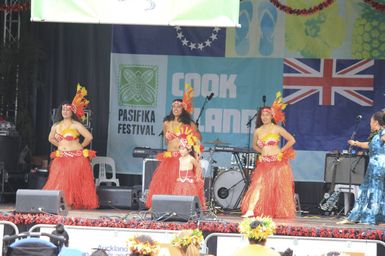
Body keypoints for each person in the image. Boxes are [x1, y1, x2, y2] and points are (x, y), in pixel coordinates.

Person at [241, 92, 296, 218]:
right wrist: (262, 152)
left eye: (267, 115)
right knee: (258, 185)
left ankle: (276, 211)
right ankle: (251, 209)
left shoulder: (277, 128)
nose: (264, 117)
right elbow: (255, 145)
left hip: (277, 162)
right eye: (262, 115)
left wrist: (281, 151)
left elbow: (292, 140)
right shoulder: (258, 131)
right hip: (264, 162)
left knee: (276, 188)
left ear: (272, 116)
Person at [43, 84, 98, 210]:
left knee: (73, 182)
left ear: (72, 111)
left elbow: (89, 137)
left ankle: (71, 203)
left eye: (67, 110)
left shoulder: (76, 125)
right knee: (60, 181)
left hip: (76, 158)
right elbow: (50, 138)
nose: (65, 112)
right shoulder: (56, 125)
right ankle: (61, 203)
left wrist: (81, 147)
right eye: (63, 110)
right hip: (61, 157)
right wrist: (60, 145)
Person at [146, 84, 201, 208]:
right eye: (173, 106)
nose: (176, 108)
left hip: (183, 158)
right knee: (165, 182)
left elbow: (198, 138)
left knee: (181, 183)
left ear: (183, 109)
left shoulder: (189, 123)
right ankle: (161, 207)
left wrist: (187, 138)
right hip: (170, 157)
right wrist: (168, 137)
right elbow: (167, 142)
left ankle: (181, 207)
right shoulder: (166, 122)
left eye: (179, 106)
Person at [338, 111, 385, 225]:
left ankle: (378, 218)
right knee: (367, 190)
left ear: (376, 122)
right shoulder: (377, 135)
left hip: (380, 165)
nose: (370, 124)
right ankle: (358, 217)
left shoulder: (383, 132)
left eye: (371, 122)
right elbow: (369, 145)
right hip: (373, 166)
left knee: (377, 190)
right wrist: (355, 143)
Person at [173, 125, 206, 209]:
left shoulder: (191, 159)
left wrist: (197, 177)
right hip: (180, 181)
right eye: (180, 149)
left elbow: (198, 167)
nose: (181, 151)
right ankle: (179, 209)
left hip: (189, 181)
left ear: (189, 149)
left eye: (183, 149)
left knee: (189, 197)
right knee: (179, 196)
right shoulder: (179, 159)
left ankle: (189, 210)